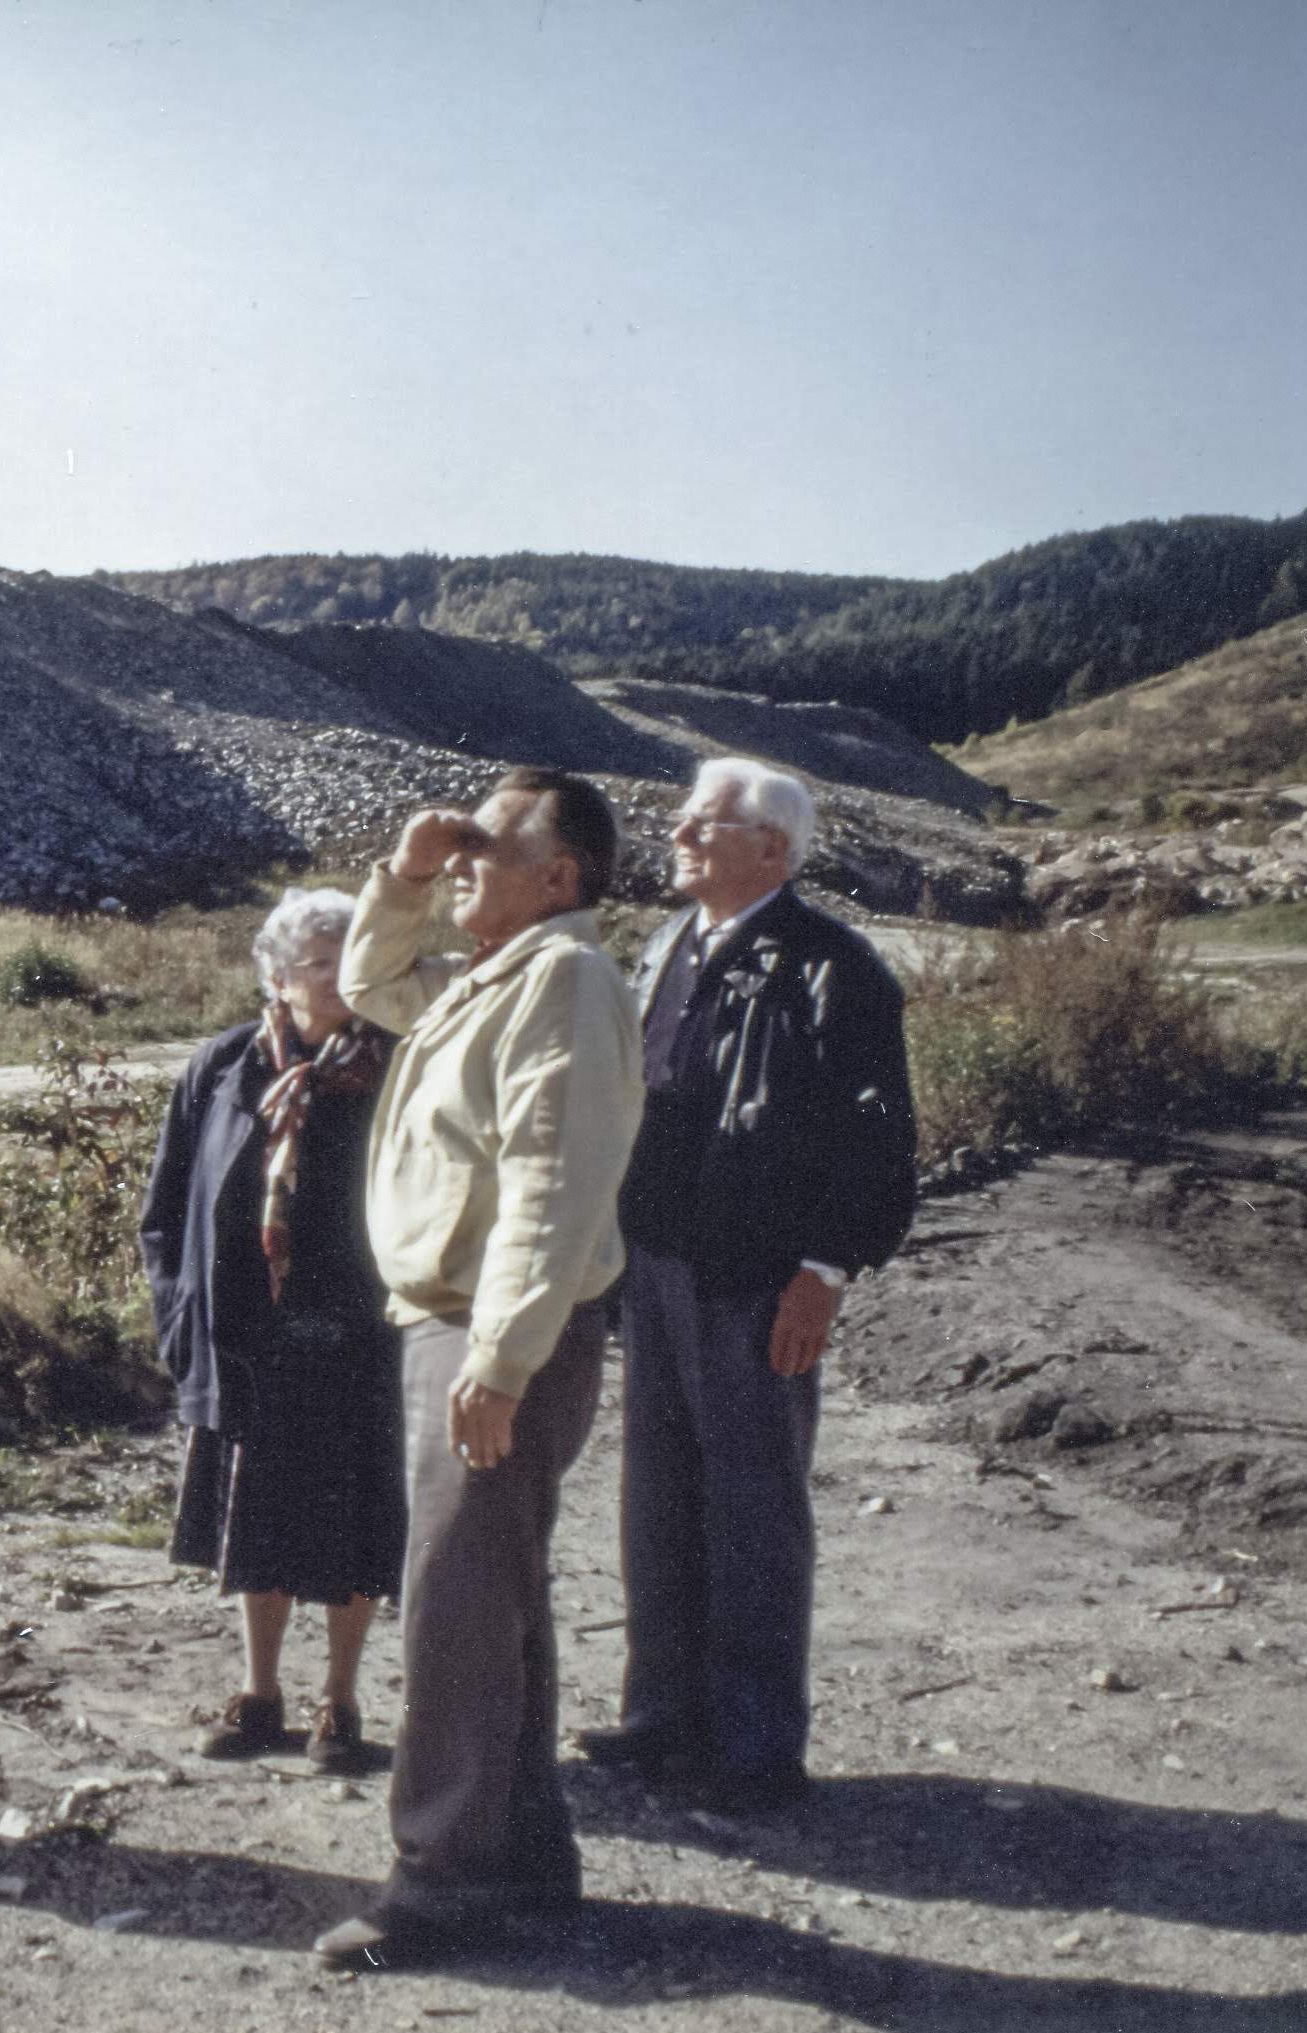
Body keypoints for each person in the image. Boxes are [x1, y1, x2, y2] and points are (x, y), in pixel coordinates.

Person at [313, 767, 644, 1966]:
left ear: (558, 875)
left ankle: (439, 1878)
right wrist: (406, 872)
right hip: (458, 1324)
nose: (461, 855)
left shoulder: (564, 976)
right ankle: (523, 1853)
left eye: (486, 842)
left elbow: (555, 1180)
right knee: (494, 1592)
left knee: (454, 1599)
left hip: (493, 1330)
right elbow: (367, 982)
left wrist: (501, 1355)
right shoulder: (496, 975)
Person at [581, 758, 917, 1815]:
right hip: (656, 1266)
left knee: (753, 1511)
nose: (676, 828)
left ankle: (756, 1743)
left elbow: (876, 1137)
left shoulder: (832, 967)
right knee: (657, 1500)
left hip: (756, 1276)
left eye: (704, 819)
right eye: (681, 812)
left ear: (772, 847)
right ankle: (662, 1716)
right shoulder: (662, 948)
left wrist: (823, 1268)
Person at [140, 887, 407, 1776]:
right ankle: (259, 1693)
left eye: (352, 957)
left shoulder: (396, 1064)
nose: (339, 977)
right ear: (277, 975)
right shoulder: (223, 1066)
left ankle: (341, 1697)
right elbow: (165, 1207)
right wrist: (182, 1321)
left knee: (354, 1521)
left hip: (362, 1332)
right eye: (320, 961)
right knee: (255, 1519)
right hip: (248, 1336)